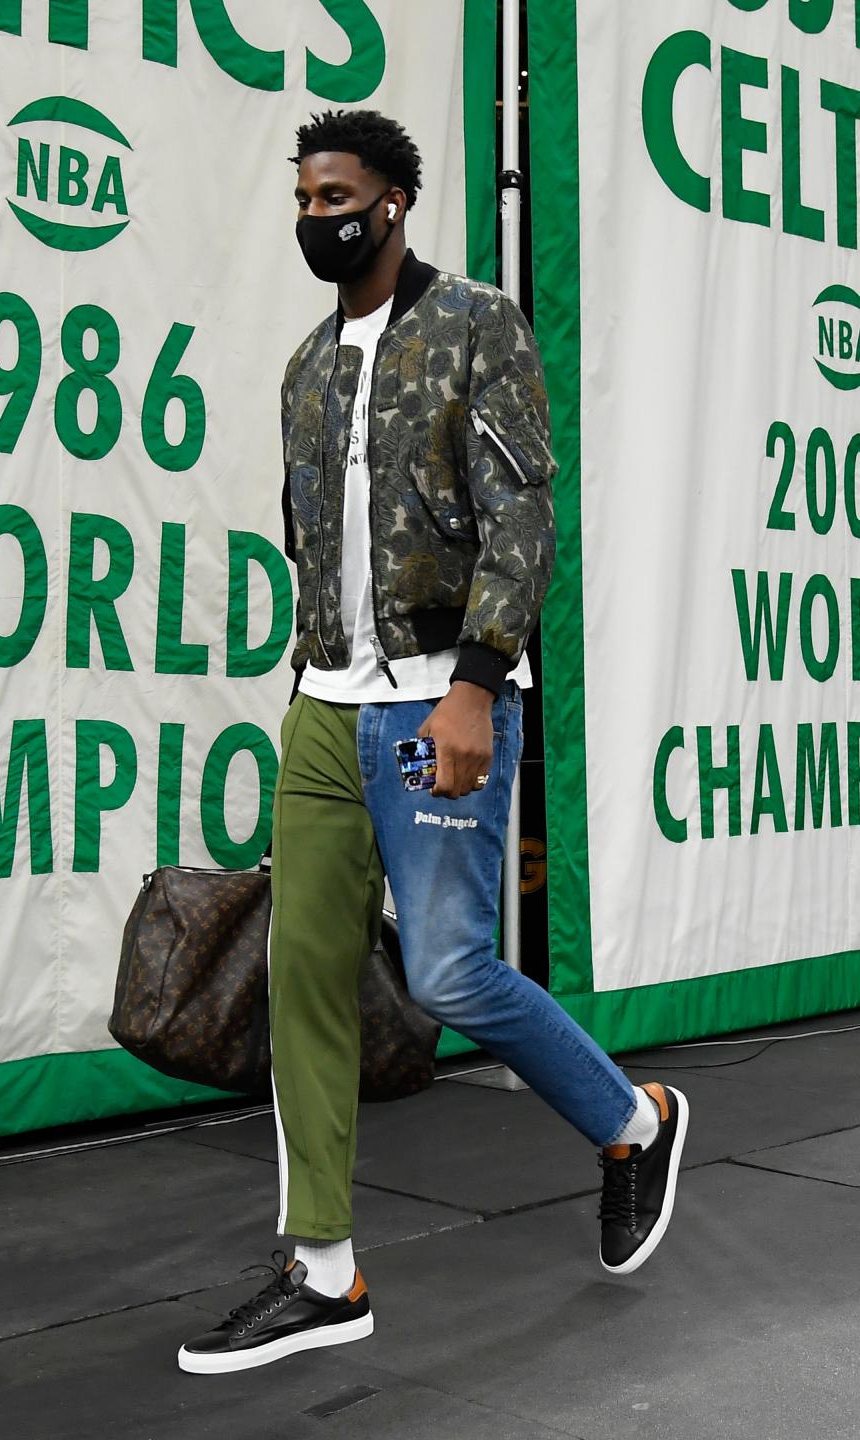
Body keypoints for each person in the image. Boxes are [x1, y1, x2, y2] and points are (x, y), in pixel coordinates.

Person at [178, 110, 689, 1376]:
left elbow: (524, 510)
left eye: (337, 195)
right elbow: (317, 540)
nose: (316, 218)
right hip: (324, 709)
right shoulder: (306, 366)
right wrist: (315, 676)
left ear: (395, 201)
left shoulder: (475, 324)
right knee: (303, 978)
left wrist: (477, 680)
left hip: (437, 703)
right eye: (302, 199)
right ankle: (325, 1271)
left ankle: (633, 1118)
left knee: (453, 975)